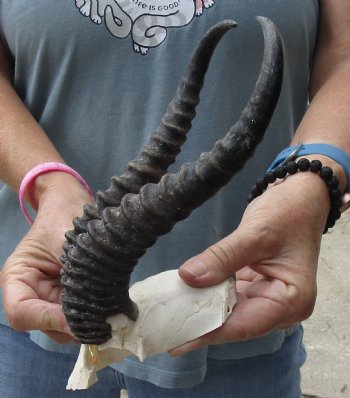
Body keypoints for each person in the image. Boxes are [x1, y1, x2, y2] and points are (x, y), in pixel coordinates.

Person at [0, 0, 349, 397]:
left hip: (238, 308)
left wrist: (314, 179)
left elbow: (345, 58)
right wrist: (48, 185)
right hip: (42, 297)